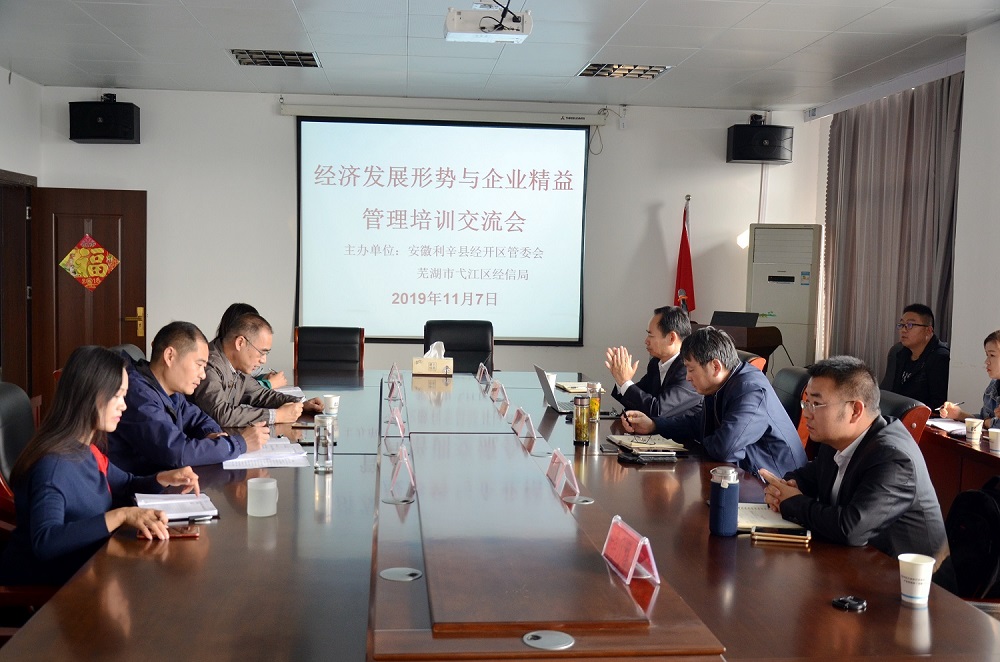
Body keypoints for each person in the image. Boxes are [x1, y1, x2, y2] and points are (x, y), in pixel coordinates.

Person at [0, 346, 200, 586]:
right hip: (57, 588)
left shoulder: (88, 449)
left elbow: (126, 484)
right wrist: (120, 515)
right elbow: (46, 542)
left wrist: (164, 478)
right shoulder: (52, 466)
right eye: (118, 396)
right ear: (90, 395)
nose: (124, 406)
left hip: (90, 567)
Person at [761, 356, 950, 566]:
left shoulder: (894, 457)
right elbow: (808, 476)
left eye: (816, 404)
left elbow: (851, 528)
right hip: (857, 564)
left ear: (855, 410)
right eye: (806, 403)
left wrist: (793, 502)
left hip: (905, 579)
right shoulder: (836, 440)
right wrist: (784, 488)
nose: (806, 413)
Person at [622, 326, 806, 477]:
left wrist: (703, 438)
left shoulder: (750, 390)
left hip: (774, 485)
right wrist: (654, 425)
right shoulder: (721, 384)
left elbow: (725, 448)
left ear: (715, 366)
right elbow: (698, 423)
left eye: (691, 369)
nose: (687, 377)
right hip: (743, 475)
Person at [108, 321, 269, 474]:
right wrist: (240, 443)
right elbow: (177, 452)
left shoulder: (170, 391)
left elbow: (198, 418)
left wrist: (211, 434)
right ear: (170, 356)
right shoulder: (136, 395)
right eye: (199, 365)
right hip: (136, 487)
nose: (203, 375)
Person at [190, 313, 323, 427]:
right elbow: (221, 414)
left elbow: (261, 395)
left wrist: (300, 403)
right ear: (240, 343)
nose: (263, 360)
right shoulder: (208, 365)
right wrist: (276, 416)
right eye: (261, 352)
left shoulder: (237, 366)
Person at [605, 305, 700, 417]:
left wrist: (625, 382)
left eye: (650, 335)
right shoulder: (655, 364)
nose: (646, 341)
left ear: (671, 338)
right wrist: (621, 380)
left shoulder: (689, 369)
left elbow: (658, 410)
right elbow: (637, 401)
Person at [880, 303, 949, 409]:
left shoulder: (940, 358)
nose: (903, 330)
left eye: (910, 325)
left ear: (928, 330)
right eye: (901, 325)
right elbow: (894, 392)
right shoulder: (900, 352)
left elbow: (938, 404)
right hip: (900, 411)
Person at [214, 303, 287, 389]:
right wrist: (269, 384)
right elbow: (241, 391)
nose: (263, 360)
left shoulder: (237, 365)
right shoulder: (213, 366)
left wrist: (263, 377)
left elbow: (249, 380)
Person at [940, 330, 1000, 428]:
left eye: (992, 355)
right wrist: (959, 414)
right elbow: (983, 420)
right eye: (987, 355)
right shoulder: (993, 387)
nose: (986, 361)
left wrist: (988, 423)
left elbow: (990, 424)